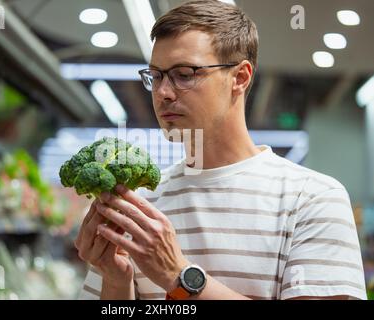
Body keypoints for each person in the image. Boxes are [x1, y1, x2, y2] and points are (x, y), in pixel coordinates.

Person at [76, 0, 366, 300]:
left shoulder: (312, 198)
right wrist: (115, 280)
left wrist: (178, 276)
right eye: (156, 76)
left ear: (239, 78)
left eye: (184, 74)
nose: (162, 92)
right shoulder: (139, 203)